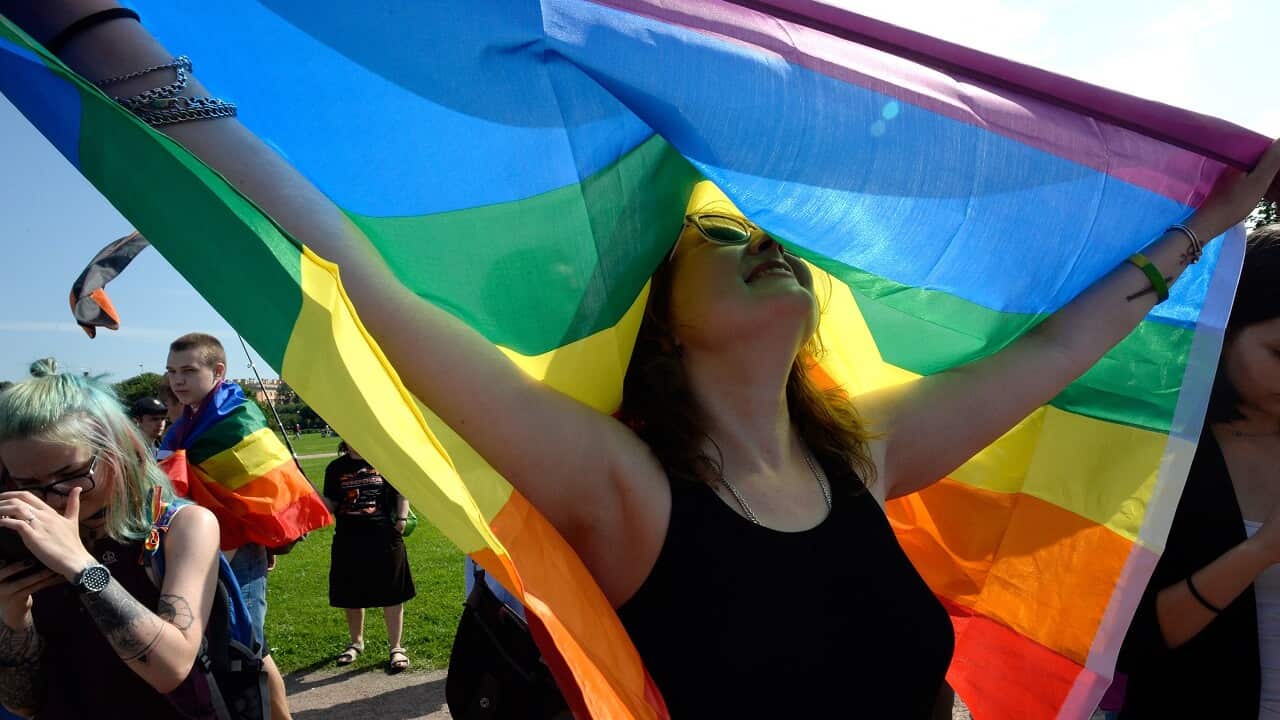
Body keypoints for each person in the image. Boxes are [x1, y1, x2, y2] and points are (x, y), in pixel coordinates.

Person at [3, 4, 1276, 715]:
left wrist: (1207, 227)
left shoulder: (864, 461)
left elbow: (1057, 348)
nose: (766, 250)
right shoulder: (627, 491)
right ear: (666, 324)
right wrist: (122, 51)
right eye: (726, 244)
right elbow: (365, 278)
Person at [1116, 226, 1280, 718]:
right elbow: (1131, 640)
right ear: (1225, 329)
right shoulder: (1159, 452)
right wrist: (1260, 552)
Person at [0, 359, 222, 719]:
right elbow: (23, 703)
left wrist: (81, 565)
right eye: (26, 484)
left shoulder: (182, 527)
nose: (53, 499)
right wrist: (13, 619)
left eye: (71, 474)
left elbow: (171, 669)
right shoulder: (18, 540)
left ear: (118, 452)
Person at [163, 332, 330, 720]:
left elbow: (254, 496)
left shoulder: (232, 419)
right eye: (172, 371)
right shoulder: (190, 420)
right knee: (231, 645)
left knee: (248, 648)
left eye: (188, 370)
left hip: (234, 553)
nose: (177, 380)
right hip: (203, 550)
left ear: (218, 371)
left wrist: (236, 548)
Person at [322, 442, 416, 673]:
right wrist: (312, 494)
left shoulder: (384, 461)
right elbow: (332, 504)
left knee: (393, 593)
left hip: (385, 537)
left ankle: (396, 648)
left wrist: (402, 519)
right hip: (349, 539)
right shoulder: (335, 468)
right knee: (351, 595)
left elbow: (402, 493)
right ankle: (356, 643)